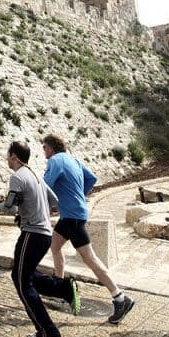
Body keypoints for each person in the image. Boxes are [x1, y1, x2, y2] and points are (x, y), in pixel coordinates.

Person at [0, 141, 78, 337]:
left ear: (13, 156)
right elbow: (54, 200)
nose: (6, 159)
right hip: (43, 234)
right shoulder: (35, 175)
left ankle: (48, 333)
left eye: (7, 155)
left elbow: (8, 207)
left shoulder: (17, 177)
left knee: (22, 282)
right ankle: (63, 288)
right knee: (22, 275)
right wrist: (35, 211)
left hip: (32, 234)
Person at [42, 133, 134, 324]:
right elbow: (92, 178)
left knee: (89, 258)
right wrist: (78, 195)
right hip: (73, 214)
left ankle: (120, 297)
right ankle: (60, 287)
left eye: (44, 148)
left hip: (72, 216)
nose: (44, 152)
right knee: (55, 246)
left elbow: (45, 186)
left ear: (50, 148)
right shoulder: (72, 160)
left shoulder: (55, 160)